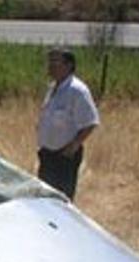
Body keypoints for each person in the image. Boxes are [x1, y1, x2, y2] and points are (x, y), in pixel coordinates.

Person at [37, 48, 100, 201]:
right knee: (45, 200)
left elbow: (90, 122)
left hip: (64, 157)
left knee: (62, 202)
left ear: (69, 65)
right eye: (49, 62)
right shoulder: (52, 88)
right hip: (47, 155)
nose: (50, 66)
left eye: (55, 62)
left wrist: (74, 146)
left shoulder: (77, 91)